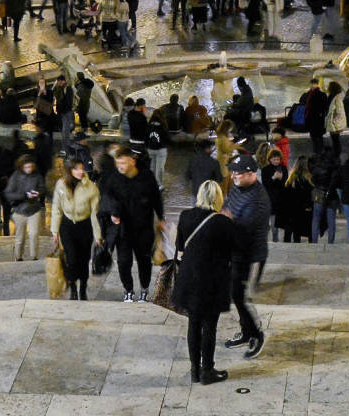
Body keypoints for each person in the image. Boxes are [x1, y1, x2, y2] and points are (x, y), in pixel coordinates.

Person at [173, 181, 241, 385]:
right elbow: (234, 252)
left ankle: (194, 370)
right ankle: (207, 370)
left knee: (193, 324)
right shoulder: (224, 223)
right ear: (218, 198)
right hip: (213, 282)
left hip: (190, 279)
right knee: (209, 326)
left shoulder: (186, 216)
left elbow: (179, 247)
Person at [223, 154, 269, 357]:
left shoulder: (258, 199)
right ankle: (245, 332)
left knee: (240, 297)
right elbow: (226, 207)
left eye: (238, 173)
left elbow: (243, 229)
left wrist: (227, 219)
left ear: (251, 174)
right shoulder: (237, 189)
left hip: (248, 255)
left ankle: (256, 335)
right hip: (233, 251)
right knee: (234, 295)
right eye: (232, 171)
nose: (233, 175)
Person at [104, 147, 164, 302]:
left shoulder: (146, 177)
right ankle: (128, 290)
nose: (120, 167)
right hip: (123, 229)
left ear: (132, 161)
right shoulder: (114, 178)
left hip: (143, 228)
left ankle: (144, 289)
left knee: (144, 261)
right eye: (118, 163)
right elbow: (105, 198)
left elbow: (156, 198)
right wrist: (112, 212)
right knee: (124, 262)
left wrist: (161, 217)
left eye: (123, 163)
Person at [54, 158, 100, 299]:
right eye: (76, 169)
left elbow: (95, 213)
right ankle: (73, 287)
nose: (80, 172)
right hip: (67, 225)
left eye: (82, 168)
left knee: (84, 259)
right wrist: (54, 231)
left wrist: (98, 235)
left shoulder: (91, 187)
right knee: (71, 259)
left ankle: (83, 288)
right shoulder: (61, 185)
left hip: (84, 225)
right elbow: (57, 207)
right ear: (70, 171)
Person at [4, 155, 46, 261]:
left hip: (34, 209)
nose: (29, 169)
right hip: (19, 210)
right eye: (27, 167)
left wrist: (38, 193)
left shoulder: (37, 176)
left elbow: (42, 187)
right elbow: (9, 194)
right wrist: (25, 195)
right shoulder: (15, 177)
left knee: (34, 234)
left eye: (31, 167)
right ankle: (18, 256)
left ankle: (34, 256)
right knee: (20, 237)